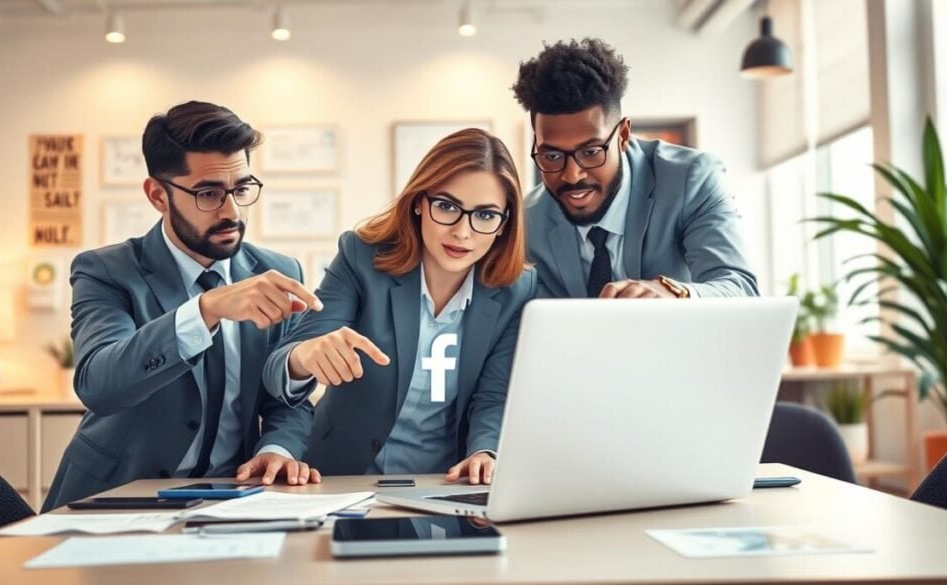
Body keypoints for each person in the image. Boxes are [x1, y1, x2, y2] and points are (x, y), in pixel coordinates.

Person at [44, 101, 323, 511]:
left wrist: (279, 448)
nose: (232, 211)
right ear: (158, 195)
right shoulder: (106, 271)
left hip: (233, 500)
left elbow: (285, 398)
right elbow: (100, 385)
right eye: (209, 193)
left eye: (241, 189)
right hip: (115, 499)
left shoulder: (277, 271)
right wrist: (204, 310)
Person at [262, 128, 536, 485]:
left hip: (445, 482)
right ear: (420, 202)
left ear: (504, 224)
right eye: (447, 207)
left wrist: (485, 451)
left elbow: (494, 393)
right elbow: (277, 369)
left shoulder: (516, 289)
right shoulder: (361, 257)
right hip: (341, 475)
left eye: (485, 215)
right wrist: (304, 357)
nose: (462, 232)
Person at [513, 38, 758, 299]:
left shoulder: (691, 180)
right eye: (552, 155)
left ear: (623, 135)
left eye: (591, 152)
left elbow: (739, 287)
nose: (572, 175)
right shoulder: (529, 220)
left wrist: (673, 294)